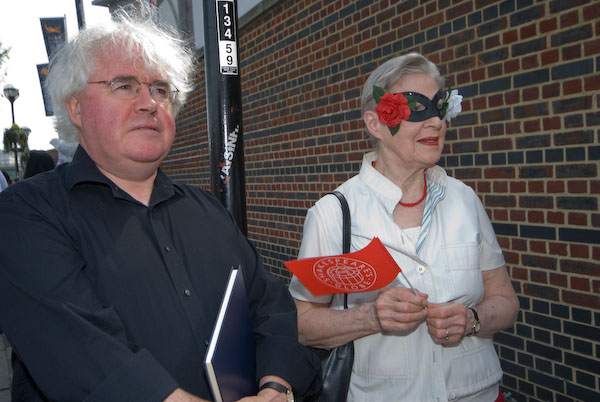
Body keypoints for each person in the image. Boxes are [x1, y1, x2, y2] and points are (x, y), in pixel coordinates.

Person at [0, 6, 319, 402]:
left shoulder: (207, 211)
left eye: (161, 89)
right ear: (76, 108)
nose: (149, 102)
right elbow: (84, 355)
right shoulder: (26, 214)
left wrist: (275, 387)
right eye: (124, 85)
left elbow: (272, 309)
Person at [289, 53, 519, 402]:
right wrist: (370, 317)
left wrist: (472, 319)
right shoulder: (335, 214)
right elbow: (303, 324)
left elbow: (505, 300)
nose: (436, 123)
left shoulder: (464, 201)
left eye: (440, 108)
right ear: (375, 124)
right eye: (416, 109)